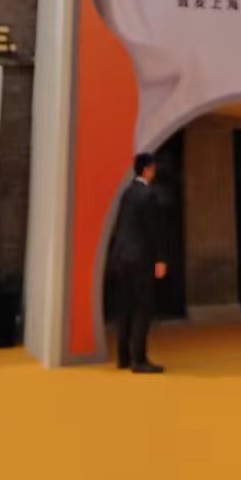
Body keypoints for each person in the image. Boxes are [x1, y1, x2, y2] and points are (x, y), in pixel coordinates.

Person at [109, 152, 169, 374]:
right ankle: (139, 359)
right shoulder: (148, 195)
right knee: (142, 307)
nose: (155, 171)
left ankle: (123, 357)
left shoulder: (127, 193)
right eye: (153, 167)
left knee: (125, 306)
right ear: (147, 169)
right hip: (140, 257)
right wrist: (161, 258)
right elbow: (155, 230)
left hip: (121, 256)